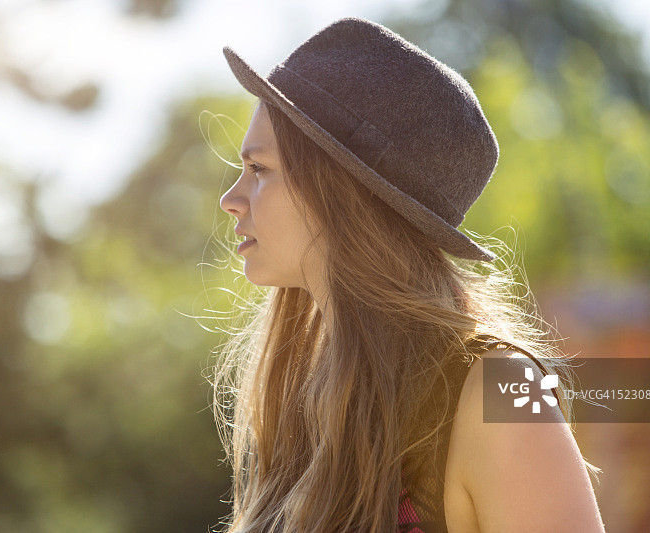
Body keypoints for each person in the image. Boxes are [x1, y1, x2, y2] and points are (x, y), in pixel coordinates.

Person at [213, 17, 605, 533]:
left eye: (259, 168)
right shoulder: (310, 395)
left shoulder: (502, 391)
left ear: (339, 191)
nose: (230, 200)